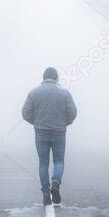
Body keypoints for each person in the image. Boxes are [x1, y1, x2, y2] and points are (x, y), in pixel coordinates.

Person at [21, 67, 78, 205]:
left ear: (43, 78)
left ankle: (46, 193)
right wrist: (66, 123)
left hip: (41, 132)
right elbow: (73, 112)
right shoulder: (65, 93)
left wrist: (36, 122)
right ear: (56, 78)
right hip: (59, 132)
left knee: (43, 163)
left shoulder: (34, 92)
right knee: (59, 161)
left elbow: (25, 113)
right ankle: (56, 183)